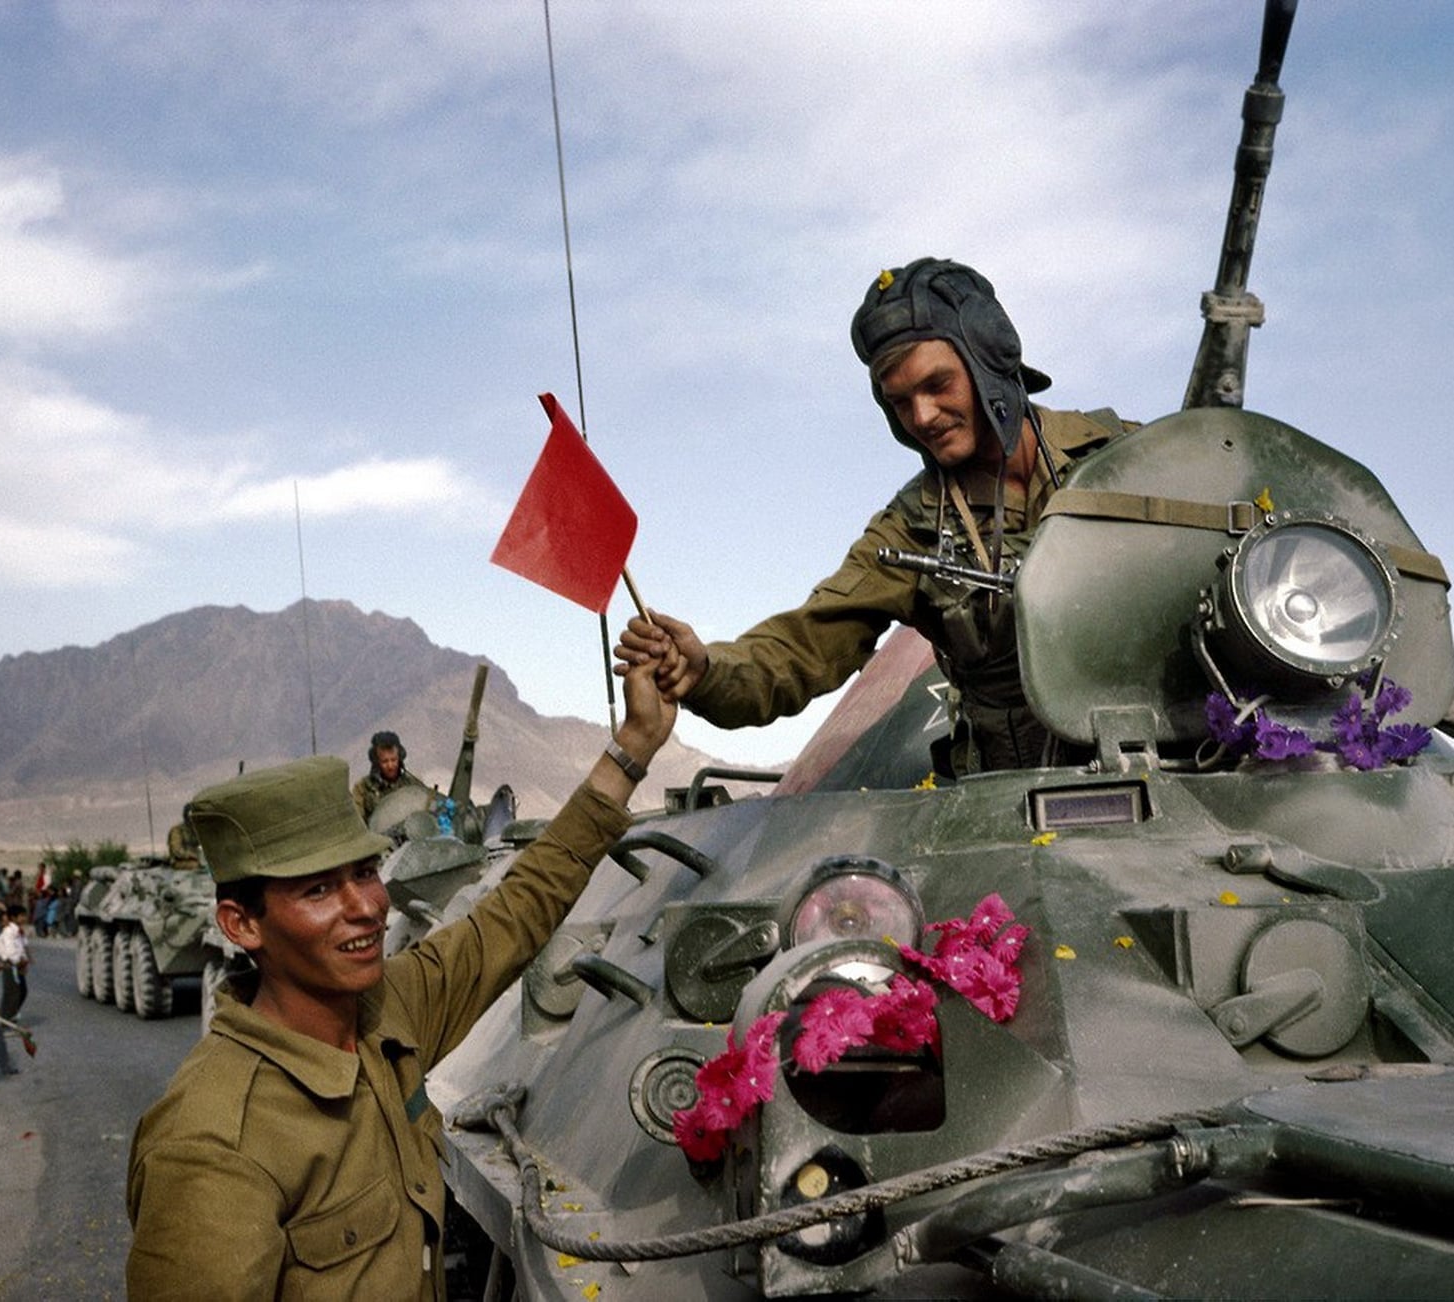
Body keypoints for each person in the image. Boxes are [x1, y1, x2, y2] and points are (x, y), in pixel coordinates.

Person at [126, 658, 676, 1299]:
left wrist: (633, 745)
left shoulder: (387, 1009)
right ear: (242, 924)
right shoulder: (212, 1144)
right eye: (318, 890)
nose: (365, 907)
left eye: (365, 873)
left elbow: (517, 909)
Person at [617, 257, 1135, 777]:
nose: (922, 416)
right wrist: (707, 670)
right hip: (1011, 794)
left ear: (991, 359)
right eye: (901, 401)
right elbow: (805, 646)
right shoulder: (913, 528)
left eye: (938, 384)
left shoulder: (1132, 459)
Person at [349, 729, 424, 822]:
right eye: (385, 761)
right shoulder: (362, 788)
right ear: (376, 762)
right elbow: (357, 822)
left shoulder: (413, 784)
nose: (390, 766)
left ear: (400, 759)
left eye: (394, 760)